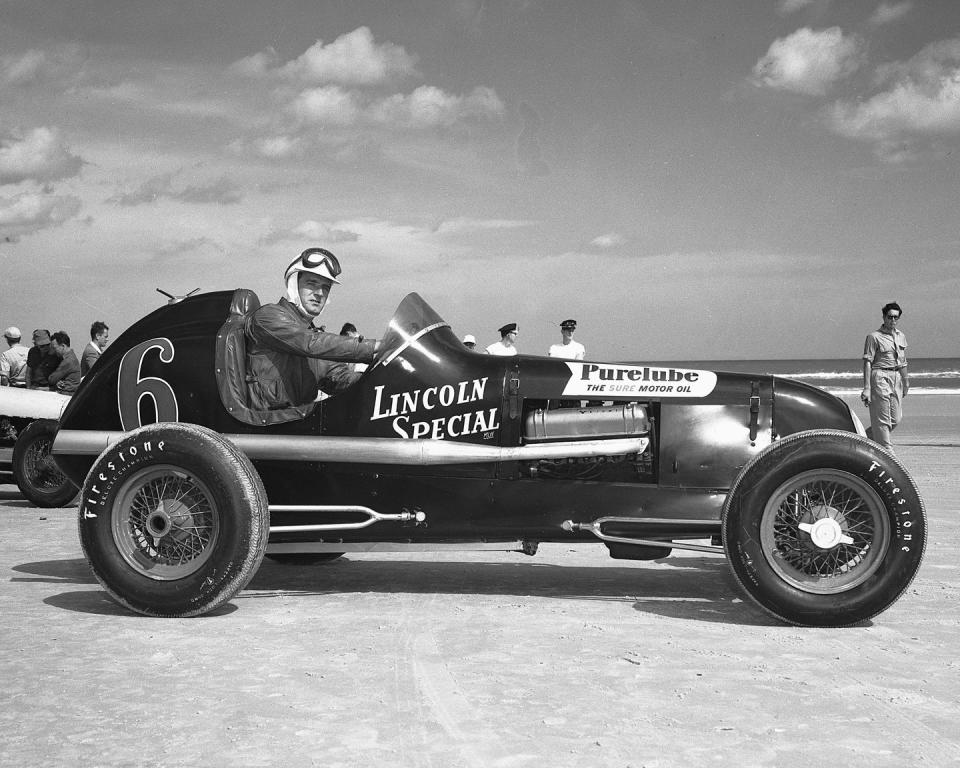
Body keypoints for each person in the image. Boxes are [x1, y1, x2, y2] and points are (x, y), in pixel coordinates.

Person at [245, 247, 378, 410]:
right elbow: (309, 342)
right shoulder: (268, 317)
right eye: (311, 284)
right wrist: (375, 347)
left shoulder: (310, 334)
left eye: (325, 287)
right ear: (294, 284)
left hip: (297, 424)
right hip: (269, 427)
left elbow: (338, 377)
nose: (319, 293)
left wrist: (382, 378)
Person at [861, 301, 909, 451]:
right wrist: (867, 388)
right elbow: (868, 362)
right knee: (882, 421)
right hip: (880, 376)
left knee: (895, 419)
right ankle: (888, 453)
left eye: (896, 317)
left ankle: (863, 438)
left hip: (897, 378)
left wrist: (906, 382)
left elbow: (903, 362)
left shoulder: (901, 336)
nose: (892, 320)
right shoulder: (873, 337)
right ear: (883, 317)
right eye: (890, 317)